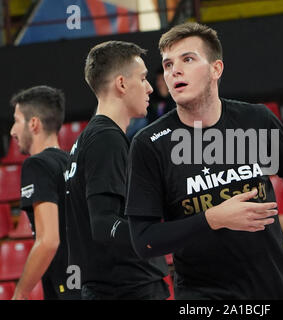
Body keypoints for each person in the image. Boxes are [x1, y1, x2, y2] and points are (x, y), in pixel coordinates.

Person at [125, 22, 283, 300]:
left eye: (188, 59)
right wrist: (212, 218)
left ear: (216, 69)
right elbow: (144, 241)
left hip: (276, 288)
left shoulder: (254, 121)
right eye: (168, 65)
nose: (174, 71)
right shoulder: (151, 144)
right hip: (206, 295)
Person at [64, 41, 169, 300]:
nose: (150, 87)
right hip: (128, 289)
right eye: (143, 78)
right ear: (122, 84)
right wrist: (168, 235)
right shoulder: (105, 140)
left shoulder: (86, 140)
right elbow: (103, 225)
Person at [9, 85, 80, 300]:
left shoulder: (36, 165)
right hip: (89, 282)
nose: (12, 130)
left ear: (33, 124)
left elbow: (48, 240)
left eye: (16, 120)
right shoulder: (72, 162)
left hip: (67, 286)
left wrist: (20, 293)